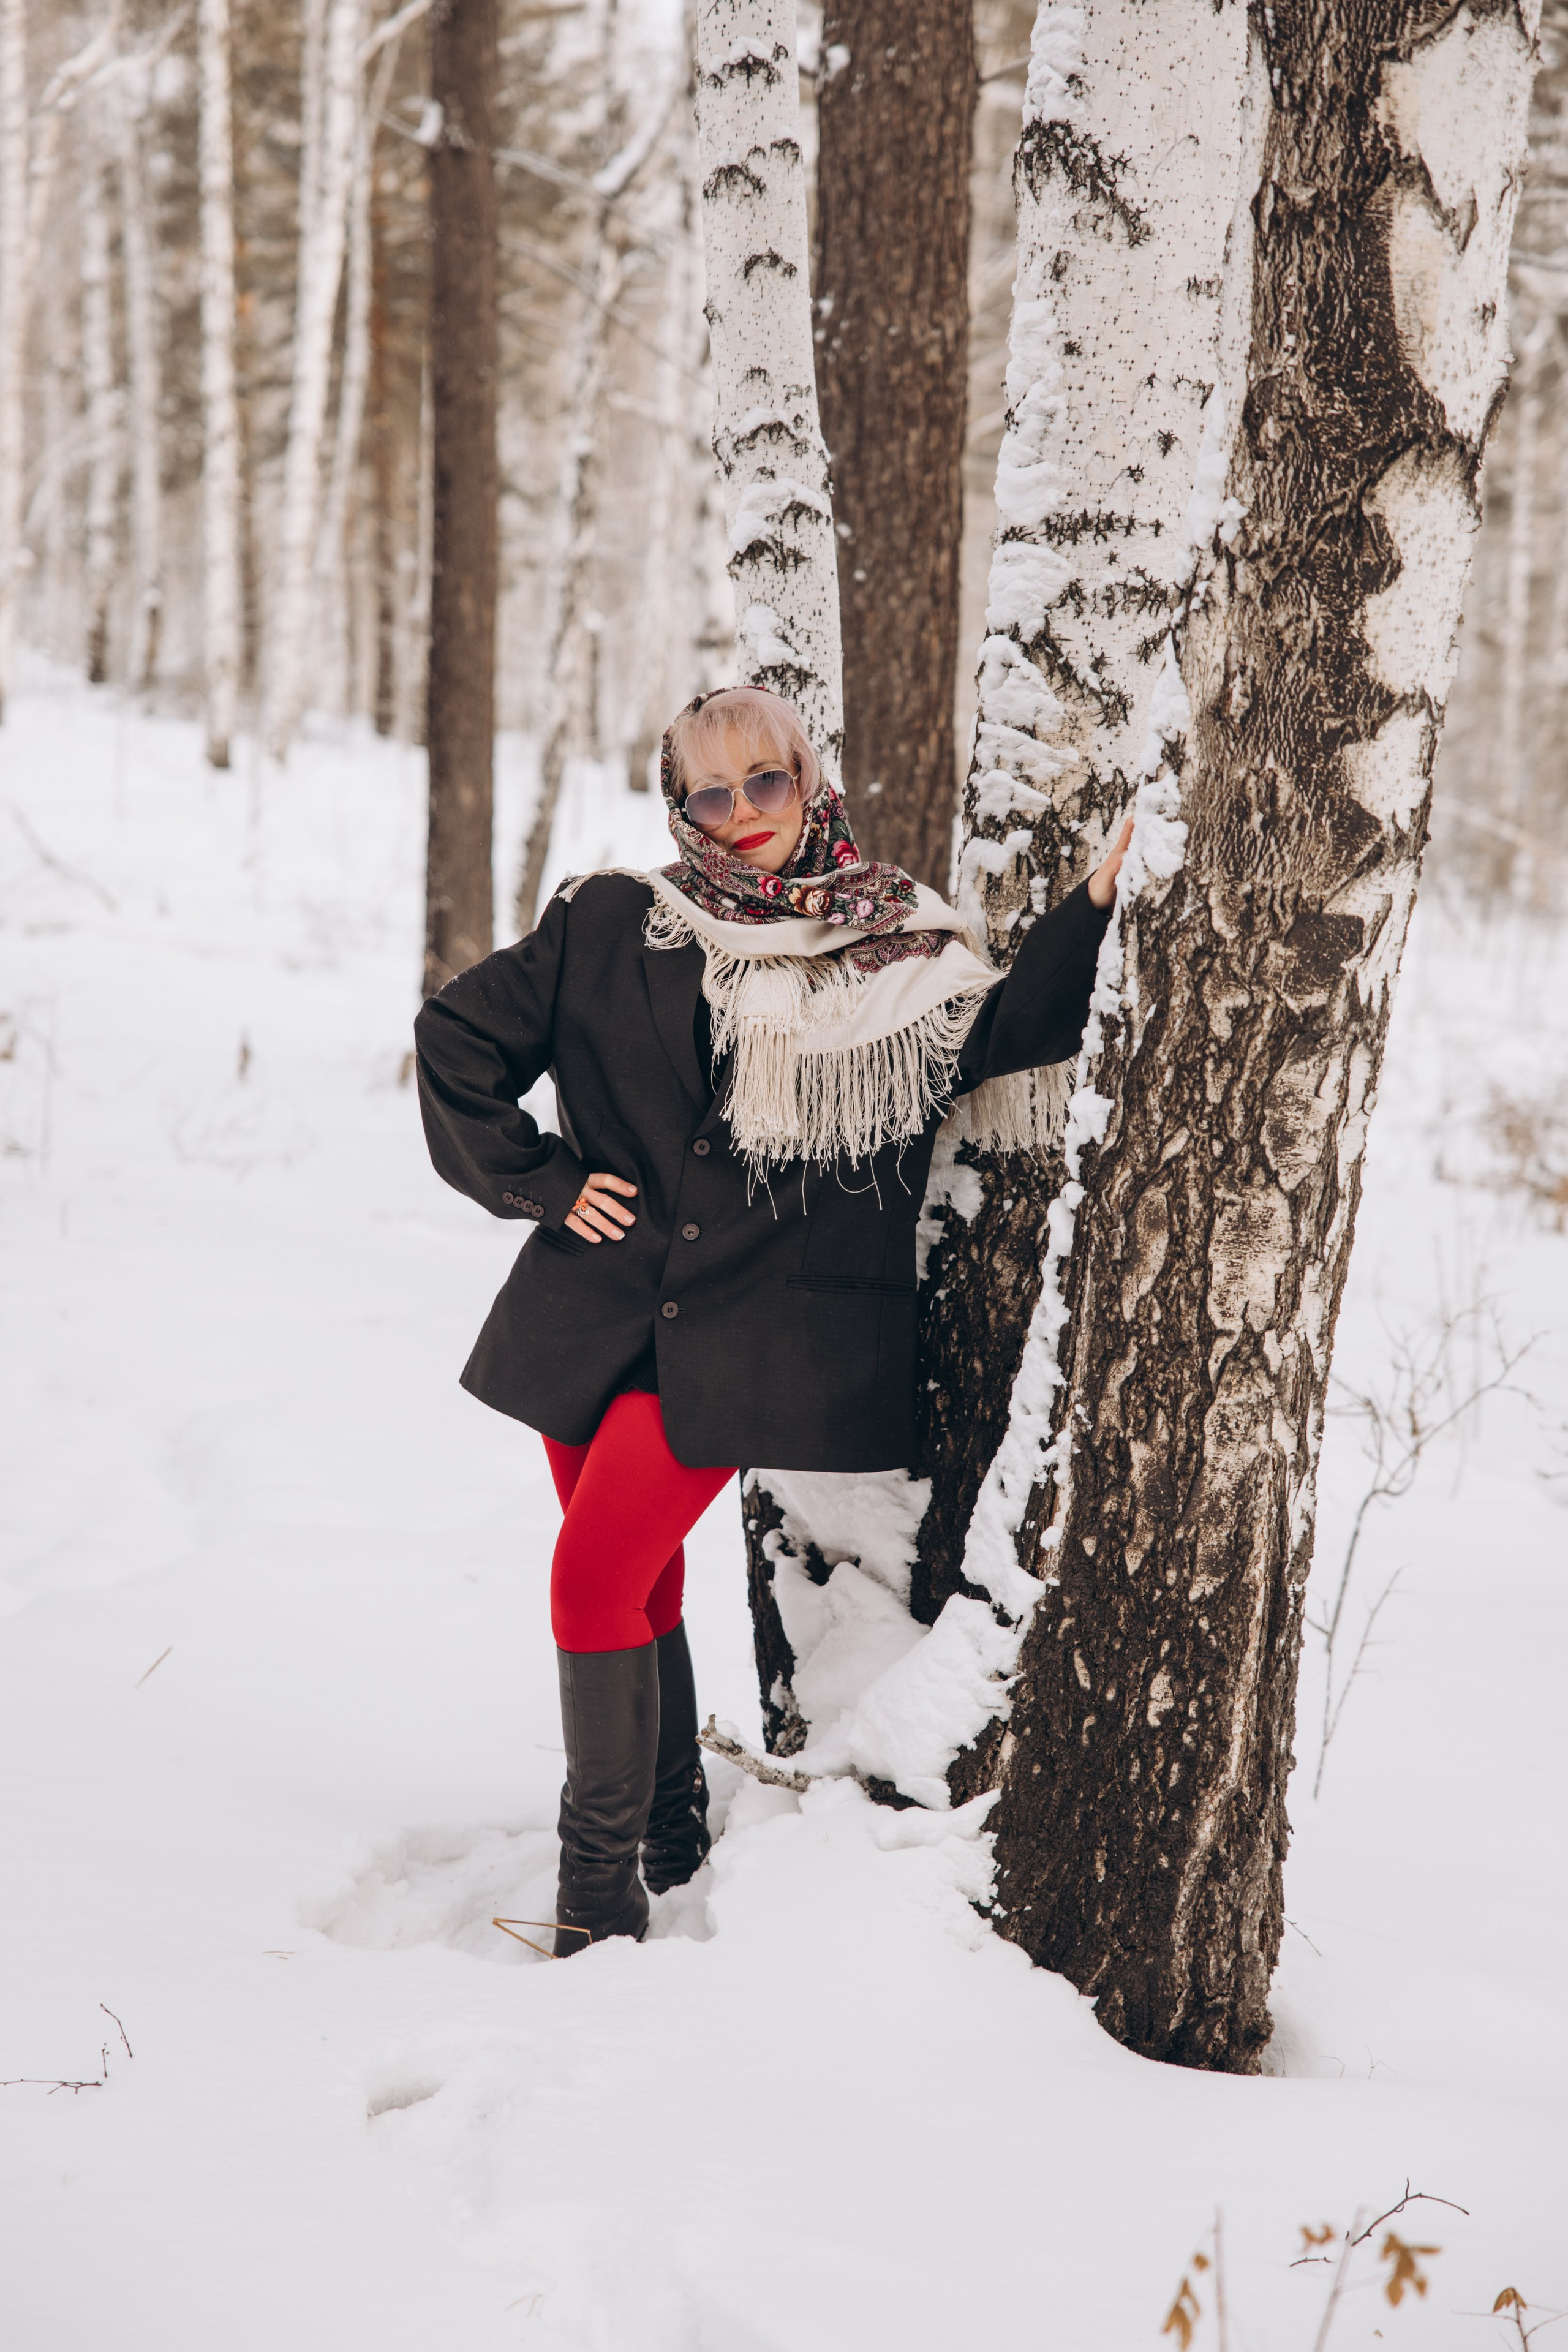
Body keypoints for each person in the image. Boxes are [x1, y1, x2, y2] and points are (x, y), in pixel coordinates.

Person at [413, 686, 1131, 1955]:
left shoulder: (897, 949)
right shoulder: (609, 921)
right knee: (630, 1577)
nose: (740, 814)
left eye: (765, 781)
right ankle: (670, 1825)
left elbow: (1026, 1021)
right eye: (709, 791)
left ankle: (594, 1908)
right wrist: (543, 1178)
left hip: (755, 1338)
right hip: (586, 1314)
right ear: (675, 802)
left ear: (810, 779)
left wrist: (1098, 901)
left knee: (590, 1577)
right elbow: (456, 1038)